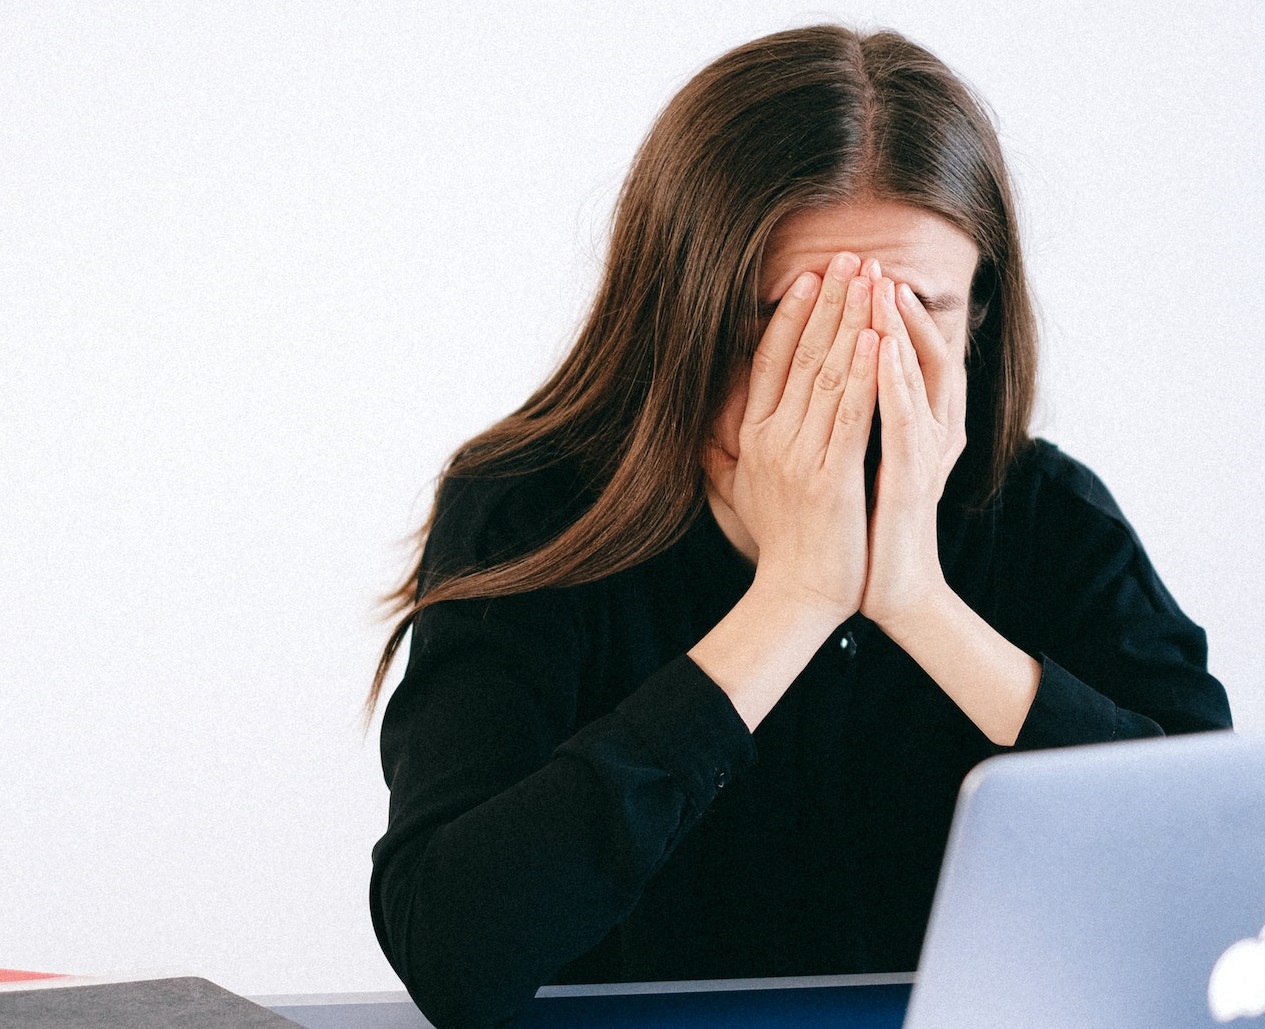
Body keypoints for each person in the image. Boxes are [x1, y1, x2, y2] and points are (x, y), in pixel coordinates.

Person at [367, 24, 1232, 1029]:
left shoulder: (1046, 515)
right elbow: (452, 952)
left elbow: (1210, 887)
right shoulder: (528, 509)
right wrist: (789, 600)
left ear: (978, 320)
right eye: (788, 322)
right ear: (678, 314)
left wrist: (916, 602)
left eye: (915, 319)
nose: (850, 377)